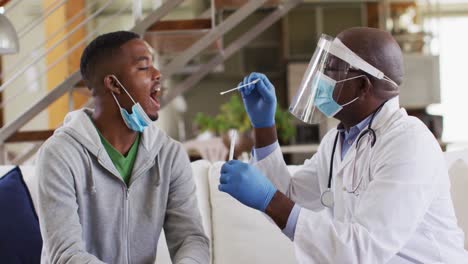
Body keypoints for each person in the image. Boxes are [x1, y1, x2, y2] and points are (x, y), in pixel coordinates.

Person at [218, 27, 468, 263]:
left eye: (332, 69)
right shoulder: (337, 141)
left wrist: (268, 199)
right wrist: (263, 127)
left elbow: (363, 249)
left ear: (362, 86)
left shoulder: (409, 143)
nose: (320, 78)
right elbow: (291, 197)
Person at [36, 31, 209, 264]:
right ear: (114, 84)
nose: (158, 75)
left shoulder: (170, 155)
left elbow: (191, 238)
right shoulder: (59, 154)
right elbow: (65, 255)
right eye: (144, 67)